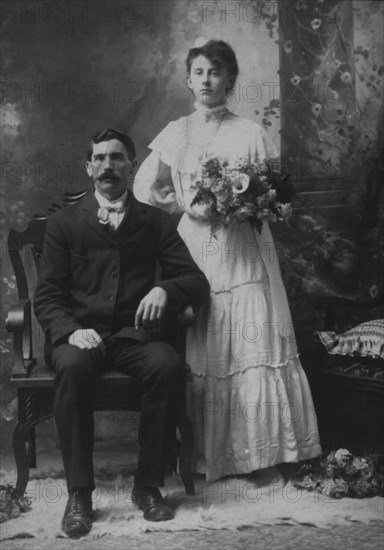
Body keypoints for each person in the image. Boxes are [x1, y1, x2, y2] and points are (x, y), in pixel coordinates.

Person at [133, 39, 322, 483]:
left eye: (216, 72)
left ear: (231, 80)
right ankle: (203, 455)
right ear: (187, 80)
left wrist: (248, 206)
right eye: (199, 73)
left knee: (248, 339)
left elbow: (274, 192)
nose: (207, 81)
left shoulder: (251, 133)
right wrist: (183, 209)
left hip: (242, 248)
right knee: (207, 336)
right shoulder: (176, 131)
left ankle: (255, 455)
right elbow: (145, 187)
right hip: (195, 248)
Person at [34, 128, 210, 538]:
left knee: (166, 365)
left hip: (134, 336)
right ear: (89, 168)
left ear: (132, 166)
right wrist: (70, 331)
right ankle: (79, 493)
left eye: (117, 158)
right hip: (80, 338)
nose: (108, 166)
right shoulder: (62, 224)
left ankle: (147, 487)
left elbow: (195, 282)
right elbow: (47, 297)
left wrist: (164, 289)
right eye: (100, 158)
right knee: (73, 368)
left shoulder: (156, 222)